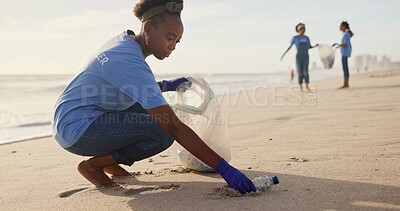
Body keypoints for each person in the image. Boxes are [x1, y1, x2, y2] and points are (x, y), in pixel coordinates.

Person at [52, 0, 256, 194]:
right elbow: (173, 126)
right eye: (169, 37)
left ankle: (109, 162)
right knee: (162, 131)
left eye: (177, 40)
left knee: (157, 111)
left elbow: (129, 87)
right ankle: (93, 166)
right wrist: (224, 168)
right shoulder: (130, 62)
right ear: (148, 28)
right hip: (78, 130)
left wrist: (166, 86)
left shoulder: (125, 42)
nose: (173, 46)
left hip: (73, 116)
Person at [281, 23, 318, 92]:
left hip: (306, 56)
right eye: (301, 28)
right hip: (299, 57)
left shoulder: (306, 38)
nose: (303, 30)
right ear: (298, 29)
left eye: (304, 29)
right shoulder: (295, 38)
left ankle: (307, 86)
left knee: (305, 72)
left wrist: (315, 46)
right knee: (300, 72)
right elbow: (290, 47)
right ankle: (301, 87)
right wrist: (284, 54)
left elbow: (309, 47)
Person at [333, 21, 354, 88]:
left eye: (340, 26)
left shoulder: (345, 35)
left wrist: (337, 44)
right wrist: (338, 46)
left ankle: (346, 84)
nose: (339, 27)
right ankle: (346, 83)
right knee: (345, 68)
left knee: (345, 69)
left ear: (344, 27)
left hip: (345, 53)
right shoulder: (346, 34)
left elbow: (345, 45)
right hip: (345, 53)